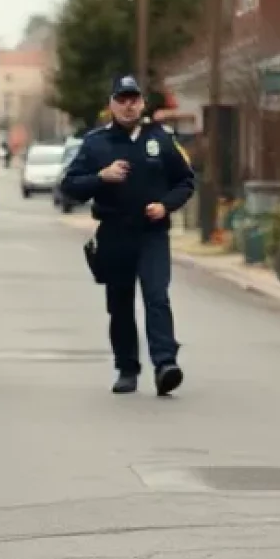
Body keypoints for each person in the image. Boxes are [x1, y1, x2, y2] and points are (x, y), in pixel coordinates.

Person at [59, 74, 196, 396]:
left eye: (133, 99)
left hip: (152, 233)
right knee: (119, 304)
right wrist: (100, 177)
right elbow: (70, 186)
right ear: (111, 105)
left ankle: (165, 364)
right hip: (114, 233)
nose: (128, 105)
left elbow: (185, 182)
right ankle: (127, 368)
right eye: (121, 99)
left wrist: (165, 206)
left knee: (157, 297)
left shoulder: (160, 139)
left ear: (142, 103)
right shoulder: (96, 143)